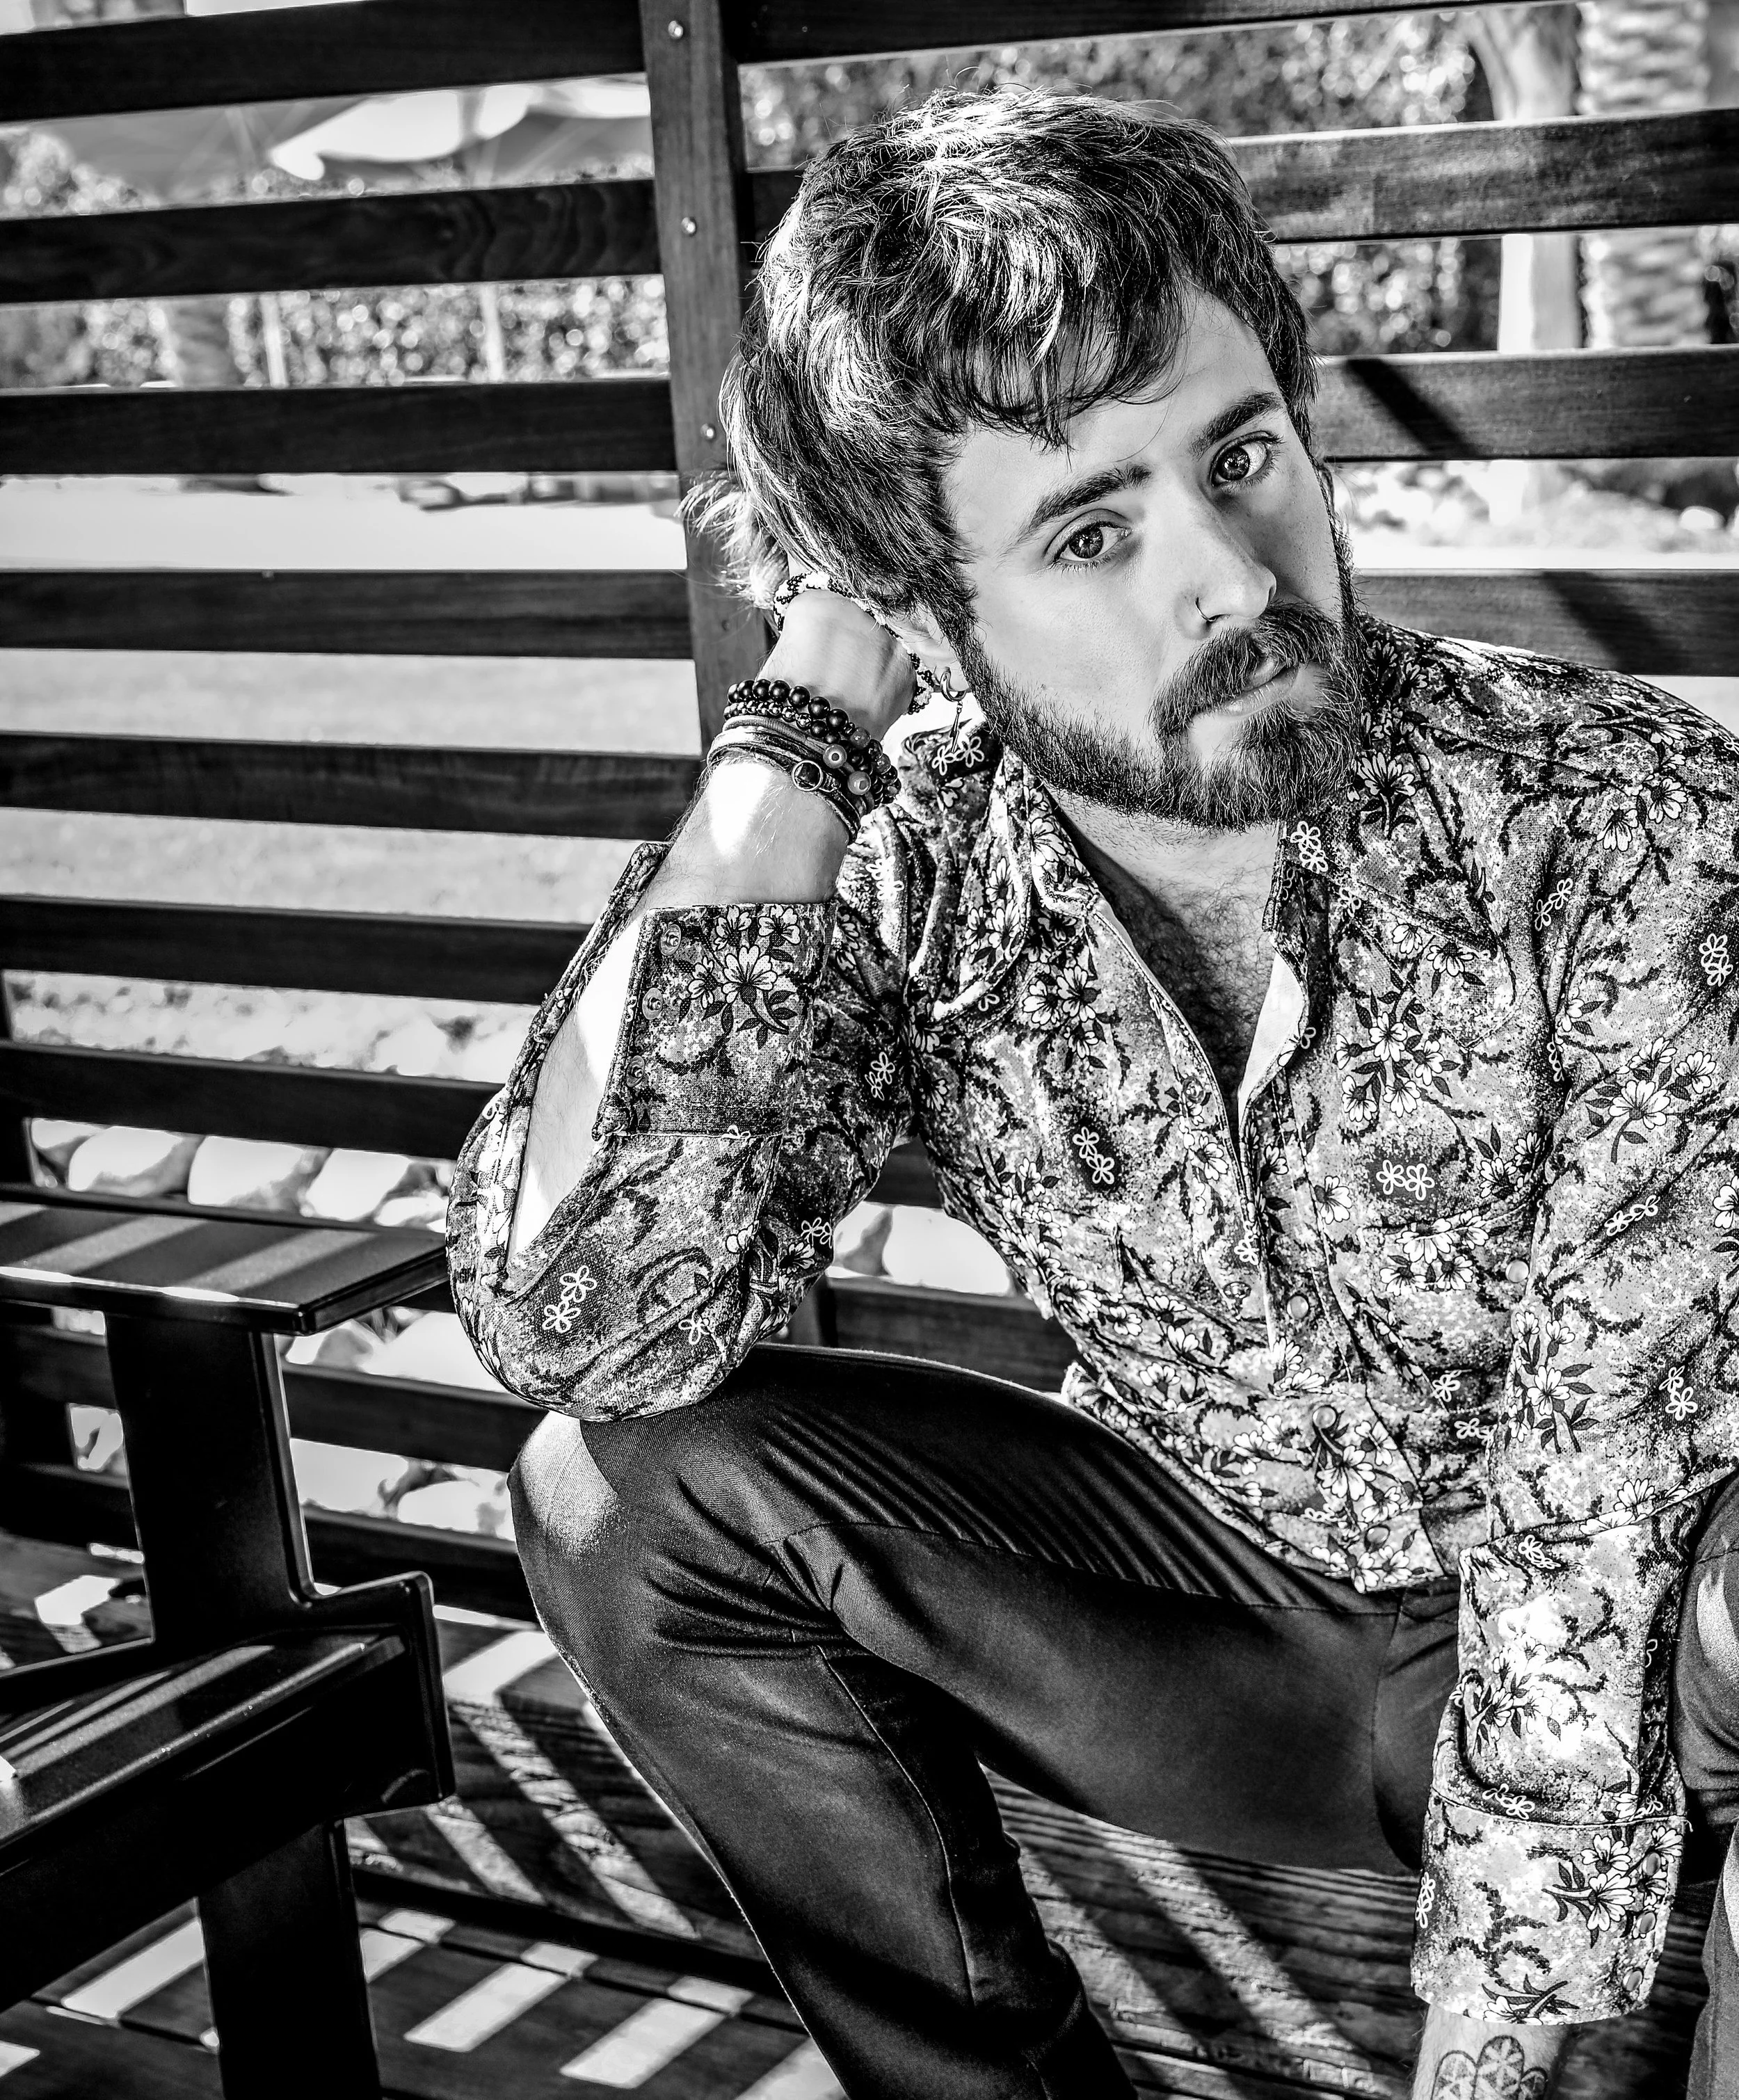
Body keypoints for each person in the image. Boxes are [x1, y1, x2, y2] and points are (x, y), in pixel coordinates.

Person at [447, 85, 1739, 2099]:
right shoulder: (917, 860)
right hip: (1221, 1622)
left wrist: (1503, 2039)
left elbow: (1600, 1484)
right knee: (622, 1494)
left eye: (1243, 456)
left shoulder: (1620, 816)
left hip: (1632, 1665)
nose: (1228, 578)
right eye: (1089, 531)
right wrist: (796, 734)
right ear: (925, 613)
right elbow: (583, 1314)